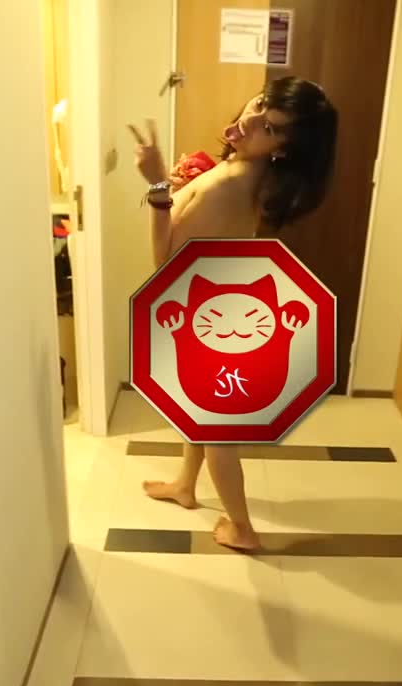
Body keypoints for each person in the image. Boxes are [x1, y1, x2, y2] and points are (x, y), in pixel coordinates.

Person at [127, 76, 338, 550]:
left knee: (217, 429)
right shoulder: (247, 173)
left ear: (283, 149)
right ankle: (186, 485)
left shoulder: (230, 183)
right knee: (199, 410)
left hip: (210, 313)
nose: (249, 120)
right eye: (259, 105)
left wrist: (158, 186)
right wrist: (187, 186)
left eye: (270, 127)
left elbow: (165, 263)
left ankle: (242, 528)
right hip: (222, 302)